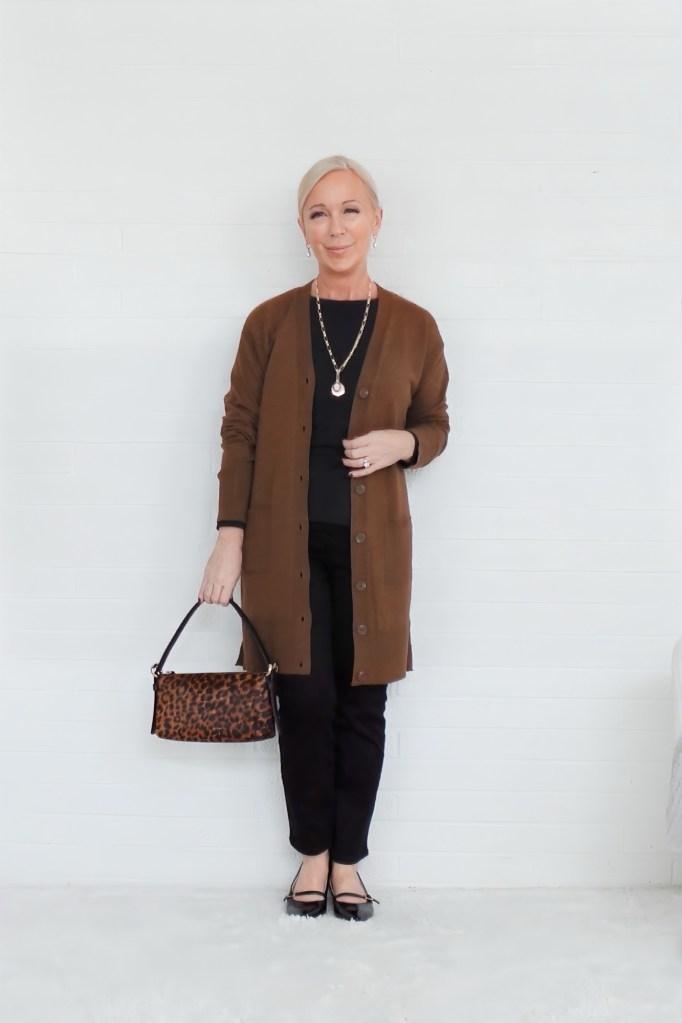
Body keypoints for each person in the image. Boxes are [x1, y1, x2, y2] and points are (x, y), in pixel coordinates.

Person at [197, 155, 449, 921]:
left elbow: (436, 424)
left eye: (350, 210)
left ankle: (350, 861)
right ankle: (312, 853)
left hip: (375, 549)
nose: (335, 227)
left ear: (377, 220)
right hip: (283, 547)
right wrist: (228, 540)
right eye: (318, 212)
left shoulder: (414, 325)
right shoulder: (269, 323)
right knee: (303, 699)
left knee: (361, 703)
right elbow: (239, 433)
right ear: (301, 228)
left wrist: (401, 445)